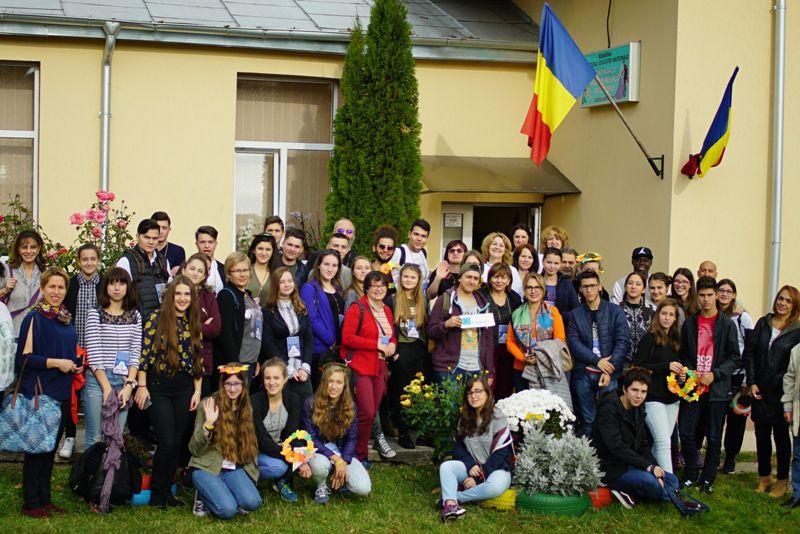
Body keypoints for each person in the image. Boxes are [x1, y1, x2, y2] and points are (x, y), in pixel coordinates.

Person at [14, 267, 80, 518]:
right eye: (51, 286)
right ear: (42, 289)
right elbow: (24, 359)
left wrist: (73, 364)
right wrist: (56, 363)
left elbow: (65, 351)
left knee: (50, 449)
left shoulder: (64, 318)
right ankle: (31, 503)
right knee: (36, 450)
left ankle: (45, 499)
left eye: (61, 287)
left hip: (62, 391)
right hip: (40, 393)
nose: (56, 291)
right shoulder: (35, 318)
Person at [593, 368, 705, 515]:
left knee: (671, 480)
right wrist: (649, 467)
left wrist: (656, 467)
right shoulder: (608, 408)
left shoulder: (638, 407)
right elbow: (616, 447)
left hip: (629, 463)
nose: (639, 396)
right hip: (610, 468)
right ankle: (675, 500)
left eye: (643, 392)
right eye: (634, 390)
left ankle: (630, 493)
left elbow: (642, 445)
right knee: (652, 483)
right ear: (625, 389)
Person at [134, 276, 204, 508]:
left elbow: (198, 359)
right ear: (171, 296)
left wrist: (197, 391)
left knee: (177, 441)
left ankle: (168, 492)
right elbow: (145, 355)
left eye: (187, 294)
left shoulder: (193, 321)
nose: (182, 298)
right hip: (159, 387)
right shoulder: (156, 318)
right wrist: (142, 386)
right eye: (178, 293)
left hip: (185, 388)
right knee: (166, 441)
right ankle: (157, 492)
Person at [678, 276, 739, 493]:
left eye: (710, 295)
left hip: (716, 390)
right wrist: (690, 370)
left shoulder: (727, 324)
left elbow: (734, 357)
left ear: (716, 296)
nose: (706, 299)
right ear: (697, 296)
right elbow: (684, 354)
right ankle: (691, 472)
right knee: (686, 432)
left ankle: (708, 478)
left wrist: (715, 374)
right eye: (702, 295)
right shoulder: (690, 323)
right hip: (693, 388)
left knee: (713, 436)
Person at [745, 285, 800, 497]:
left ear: (794, 306)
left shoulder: (796, 330)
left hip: (781, 391)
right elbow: (750, 353)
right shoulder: (764, 322)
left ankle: (782, 480)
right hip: (759, 389)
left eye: (788, 301)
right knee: (761, 435)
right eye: (780, 299)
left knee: (781, 437)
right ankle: (764, 477)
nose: (782, 303)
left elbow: (792, 365)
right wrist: (752, 381)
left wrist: (774, 383)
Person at [189, 363, 262, 519]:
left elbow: (251, 444)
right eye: (228, 384)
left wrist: (251, 475)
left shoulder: (247, 406)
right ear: (222, 384)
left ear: (243, 385)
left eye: (237, 384)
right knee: (228, 510)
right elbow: (194, 449)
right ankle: (202, 494)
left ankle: (223, 491)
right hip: (207, 467)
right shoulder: (208, 404)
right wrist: (208, 424)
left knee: (253, 502)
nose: (232, 389)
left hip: (232, 467)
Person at [82, 268, 142, 449]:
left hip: (123, 380)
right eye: (112, 283)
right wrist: (107, 388)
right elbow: (94, 354)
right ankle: (91, 469)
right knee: (94, 439)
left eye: (121, 283)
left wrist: (129, 385)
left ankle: (110, 469)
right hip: (98, 380)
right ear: (106, 287)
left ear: (127, 287)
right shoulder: (95, 314)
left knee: (115, 438)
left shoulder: (135, 316)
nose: (117, 288)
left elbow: (135, 352)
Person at [438, 376, 512, 521]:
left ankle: (454, 498)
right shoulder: (465, 418)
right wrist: (471, 464)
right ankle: (451, 507)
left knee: (494, 487)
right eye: (470, 393)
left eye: (478, 391)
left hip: (496, 469)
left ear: (487, 394)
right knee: (446, 467)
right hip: (472, 468)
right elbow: (457, 447)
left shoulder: (498, 417)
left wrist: (479, 478)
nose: (473, 396)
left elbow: (501, 453)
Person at [340, 271, 397, 461]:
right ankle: (358, 455)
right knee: (366, 412)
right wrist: (376, 345)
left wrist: (392, 344)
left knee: (371, 414)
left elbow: (391, 336)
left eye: (383, 285)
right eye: (374, 285)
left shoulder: (387, 310)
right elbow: (347, 338)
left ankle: (358, 452)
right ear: (366, 288)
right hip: (362, 366)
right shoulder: (358, 308)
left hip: (380, 367)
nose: (379, 289)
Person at [567, 270, 630, 437]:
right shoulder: (575, 315)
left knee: (609, 418)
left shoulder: (615, 311)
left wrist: (608, 368)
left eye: (593, 285)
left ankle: (606, 452)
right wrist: (597, 361)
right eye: (585, 286)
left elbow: (623, 341)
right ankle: (588, 452)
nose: (589, 290)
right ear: (580, 289)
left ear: (600, 287)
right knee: (587, 419)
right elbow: (574, 344)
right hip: (584, 372)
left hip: (609, 373)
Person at [303, 364, 371, 504]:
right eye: (330, 381)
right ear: (324, 383)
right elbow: (311, 439)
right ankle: (321, 486)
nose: (334, 386)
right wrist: (337, 460)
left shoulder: (351, 406)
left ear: (344, 385)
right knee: (319, 466)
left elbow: (352, 438)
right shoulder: (310, 403)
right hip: (320, 451)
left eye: (339, 382)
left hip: (342, 451)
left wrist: (343, 461)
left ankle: (341, 481)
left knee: (363, 488)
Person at [59, 242, 101, 459]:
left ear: (98, 261)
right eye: (85, 259)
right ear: (78, 261)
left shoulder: (104, 283)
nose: (89, 263)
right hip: (74, 349)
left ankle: (97, 438)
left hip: (97, 349)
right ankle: (70, 436)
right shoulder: (71, 284)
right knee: (71, 394)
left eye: (93, 259)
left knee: (95, 394)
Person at [633, 298, 682, 473]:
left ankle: (653, 476)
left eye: (671, 315)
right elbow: (639, 366)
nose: (667, 318)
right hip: (653, 398)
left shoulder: (676, 339)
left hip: (672, 398)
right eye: (664, 313)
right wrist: (666, 366)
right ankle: (670, 482)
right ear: (657, 315)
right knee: (663, 443)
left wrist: (682, 372)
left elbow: (679, 365)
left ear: (675, 318)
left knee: (661, 443)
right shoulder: (649, 338)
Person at [251, 358, 309, 502]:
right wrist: (295, 459)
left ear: (285, 379)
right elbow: (261, 439)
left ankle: (282, 482)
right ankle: (248, 477)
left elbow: (292, 433)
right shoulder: (254, 401)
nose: (272, 382)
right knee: (278, 467)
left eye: (276, 378)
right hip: (256, 450)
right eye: (267, 378)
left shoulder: (293, 399)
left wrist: (300, 457)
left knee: (301, 448)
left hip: (280, 447)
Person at [428, 263, 494, 383]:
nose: (472, 281)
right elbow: (431, 332)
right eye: (468, 277)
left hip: (476, 367)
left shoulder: (483, 304)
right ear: (459, 278)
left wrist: (489, 370)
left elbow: (488, 339)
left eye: (475, 278)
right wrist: (446, 324)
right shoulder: (445, 300)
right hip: (449, 368)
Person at [717, 278, 754, 474]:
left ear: (734, 295)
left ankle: (730, 458)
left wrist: (748, 378)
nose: (724, 294)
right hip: (718, 375)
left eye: (728, 291)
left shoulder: (743, 317)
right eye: (721, 290)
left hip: (740, 377)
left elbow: (751, 348)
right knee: (716, 418)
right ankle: (714, 456)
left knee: (736, 421)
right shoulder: (712, 313)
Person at [507, 272, 566, 393]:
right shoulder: (516, 314)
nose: (533, 291)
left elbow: (560, 340)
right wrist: (523, 358)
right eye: (529, 287)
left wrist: (539, 356)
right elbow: (510, 342)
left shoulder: (552, 312)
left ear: (543, 290)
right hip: (521, 368)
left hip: (547, 367)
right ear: (524, 290)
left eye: (537, 287)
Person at [390, 264, 429, 448]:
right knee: (401, 391)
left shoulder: (422, 300)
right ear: (400, 278)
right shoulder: (393, 299)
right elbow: (389, 326)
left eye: (413, 277)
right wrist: (394, 351)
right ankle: (403, 432)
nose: (408, 280)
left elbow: (425, 327)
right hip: (402, 349)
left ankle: (419, 432)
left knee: (419, 391)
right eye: (405, 276)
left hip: (418, 349)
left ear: (418, 280)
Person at [263, 267, 314, 400]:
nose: (287, 284)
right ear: (275, 285)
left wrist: (305, 366)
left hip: (302, 369)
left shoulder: (301, 307)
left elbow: (308, 339)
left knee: (307, 406)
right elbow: (268, 344)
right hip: (280, 370)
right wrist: (286, 368)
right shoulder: (268, 312)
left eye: (290, 281)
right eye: (282, 282)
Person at [301, 250, 345, 389]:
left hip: (336, 350)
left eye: (334, 265)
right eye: (326, 264)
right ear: (319, 265)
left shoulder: (338, 288)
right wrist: (331, 340)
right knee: (320, 391)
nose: (330, 269)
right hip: (319, 349)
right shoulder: (309, 288)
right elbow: (311, 318)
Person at [215, 253, 263, 380]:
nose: (242, 274)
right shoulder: (227, 295)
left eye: (245, 270)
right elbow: (226, 333)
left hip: (251, 361)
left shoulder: (247, 295)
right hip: (237, 363)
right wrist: (235, 364)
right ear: (228, 274)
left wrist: (256, 360)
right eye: (237, 271)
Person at [180, 253, 221, 395]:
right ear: (184, 270)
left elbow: (215, 328)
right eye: (192, 268)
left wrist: (191, 327)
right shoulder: (172, 293)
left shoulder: (209, 296)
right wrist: (203, 325)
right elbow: (173, 326)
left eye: (200, 271)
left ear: (204, 276)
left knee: (201, 404)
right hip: (178, 362)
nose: (195, 273)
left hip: (203, 360)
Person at [479, 263, 521, 400]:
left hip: (508, 350)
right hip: (486, 349)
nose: (499, 281)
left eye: (503, 278)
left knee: (505, 390)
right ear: (489, 278)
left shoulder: (514, 297)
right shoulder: (481, 295)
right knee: (487, 388)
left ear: (509, 280)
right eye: (496, 277)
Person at [117, 219, 170, 319]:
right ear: (138, 236)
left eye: (155, 238)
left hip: (161, 320)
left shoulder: (163, 261)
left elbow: (170, 292)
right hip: (135, 321)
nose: (151, 242)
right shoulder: (126, 261)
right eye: (147, 237)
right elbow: (118, 295)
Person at [4, 229, 47, 336]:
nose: (28, 251)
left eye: (33, 247)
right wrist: (5, 290)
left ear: (39, 249)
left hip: (37, 334)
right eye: (24, 247)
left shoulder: (45, 274)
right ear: (19, 249)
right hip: (11, 335)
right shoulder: (7, 271)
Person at [620, 272, 654, 373]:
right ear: (625, 287)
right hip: (621, 364)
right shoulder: (615, 311)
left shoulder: (651, 313)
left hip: (645, 365)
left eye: (638, 284)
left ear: (643, 289)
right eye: (630, 283)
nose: (633, 286)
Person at [781, 338, 800, 508]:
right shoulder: (797, 350)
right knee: (798, 457)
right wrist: (787, 405)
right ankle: (797, 494)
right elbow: (790, 378)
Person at [480, 232, 523, 297]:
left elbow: (518, 293)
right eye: (494, 244)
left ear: (505, 250)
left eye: (501, 245)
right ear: (488, 247)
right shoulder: (480, 268)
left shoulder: (512, 270)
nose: (497, 247)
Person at [540, 247, 579, 315]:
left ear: (560, 264)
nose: (552, 266)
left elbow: (576, 310)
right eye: (549, 262)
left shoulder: (567, 284)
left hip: (561, 320)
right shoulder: (535, 281)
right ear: (543, 261)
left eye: (556, 263)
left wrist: (558, 315)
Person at [246, 233, 277, 305]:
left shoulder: (276, 273)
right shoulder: (245, 271)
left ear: (272, 252)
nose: (263, 253)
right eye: (260, 249)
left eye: (268, 249)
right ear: (254, 250)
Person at [151, 211, 185, 275]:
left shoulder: (178, 251)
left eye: (164, 228)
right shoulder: (144, 249)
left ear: (169, 230)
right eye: (157, 227)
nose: (160, 231)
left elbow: (180, 277)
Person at [195, 226, 225, 294]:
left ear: (215, 244)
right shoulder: (188, 268)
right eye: (202, 242)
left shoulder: (223, 269)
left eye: (210, 242)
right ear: (196, 245)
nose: (206, 246)